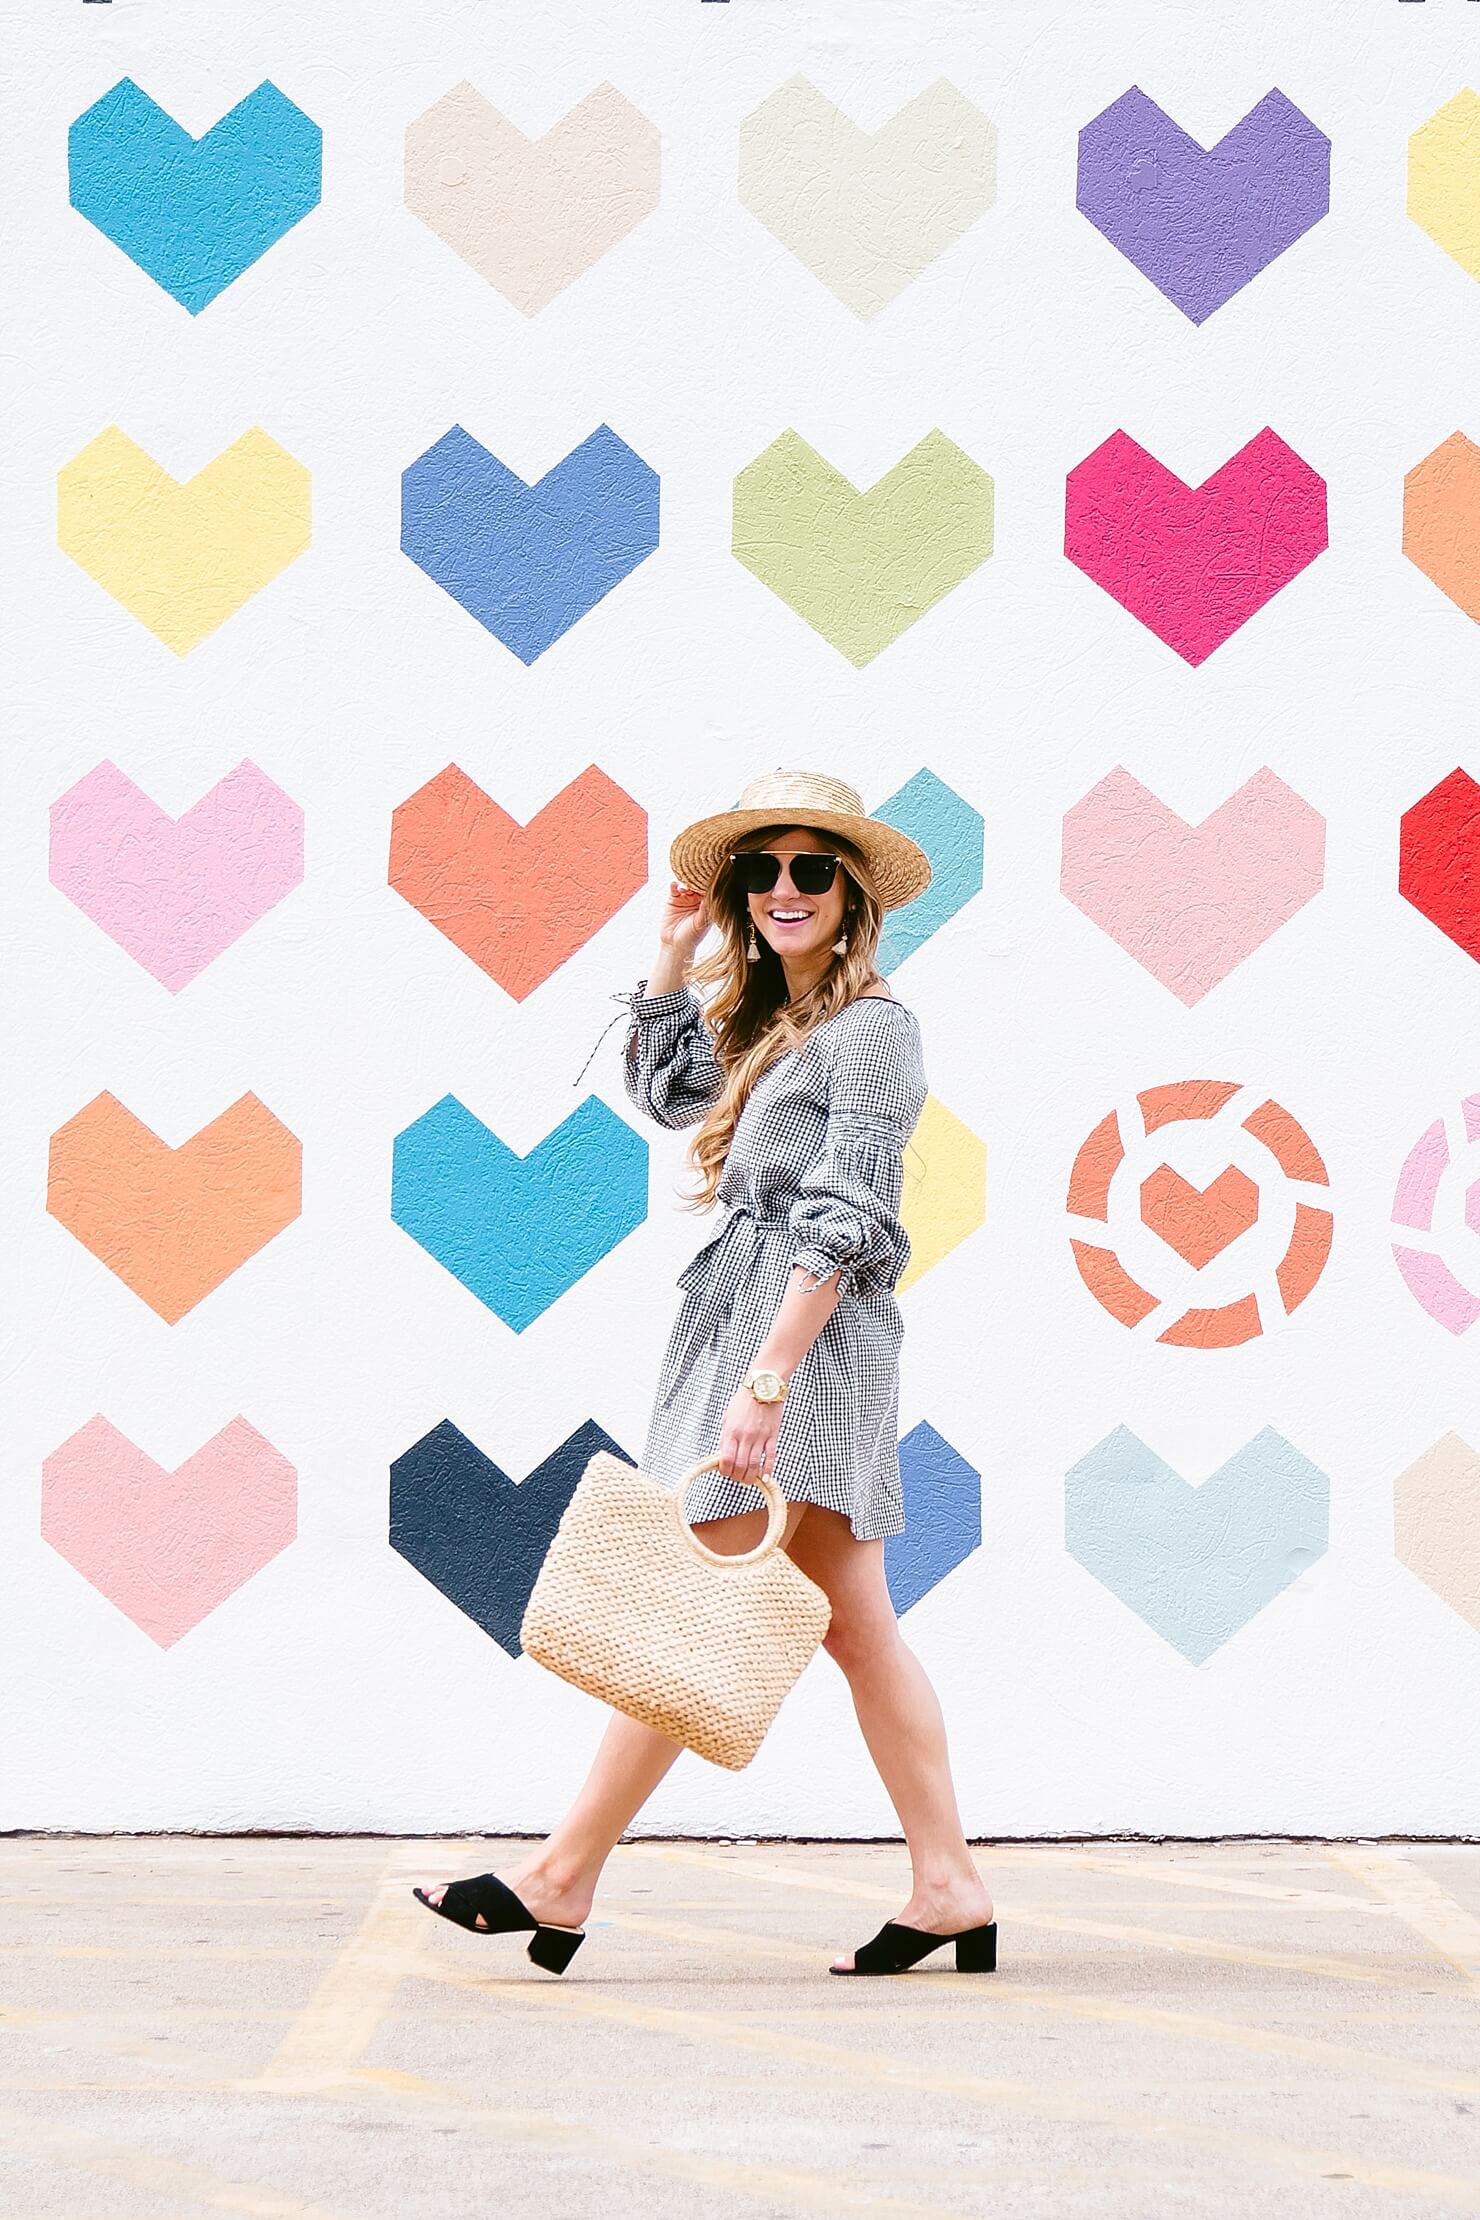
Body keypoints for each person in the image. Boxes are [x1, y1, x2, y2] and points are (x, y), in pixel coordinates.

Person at [414, 770, 996, 1977]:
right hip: (753, 1319)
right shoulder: (784, 1021)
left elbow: (850, 1214)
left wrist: (770, 1378)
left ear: (852, 896)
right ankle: (947, 1887)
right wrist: (675, 950)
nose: (784, 889)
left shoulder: (877, 1029)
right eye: (760, 871)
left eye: (811, 869)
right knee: (854, 1628)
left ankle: (560, 1876)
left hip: (805, 1337)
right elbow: (671, 1093)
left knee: (704, 1592)